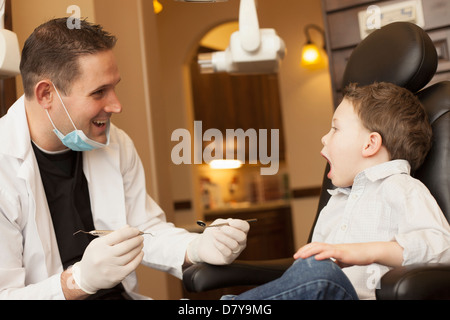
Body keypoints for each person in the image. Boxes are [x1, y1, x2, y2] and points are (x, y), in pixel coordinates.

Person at [0, 18, 250, 300]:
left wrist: (196, 247)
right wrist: (78, 282)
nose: (116, 105)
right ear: (46, 94)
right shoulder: (3, 166)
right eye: (98, 92)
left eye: (114, 87)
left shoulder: (114, 142)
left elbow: (145, 230)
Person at [223, 82, 450, 300]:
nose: (324, 137)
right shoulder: (336, 200)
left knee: (322, 274)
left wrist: (365, 252)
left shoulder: (401, 188)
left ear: (370, 145)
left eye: (335, 128)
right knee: (312, 268)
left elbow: (442, 247)